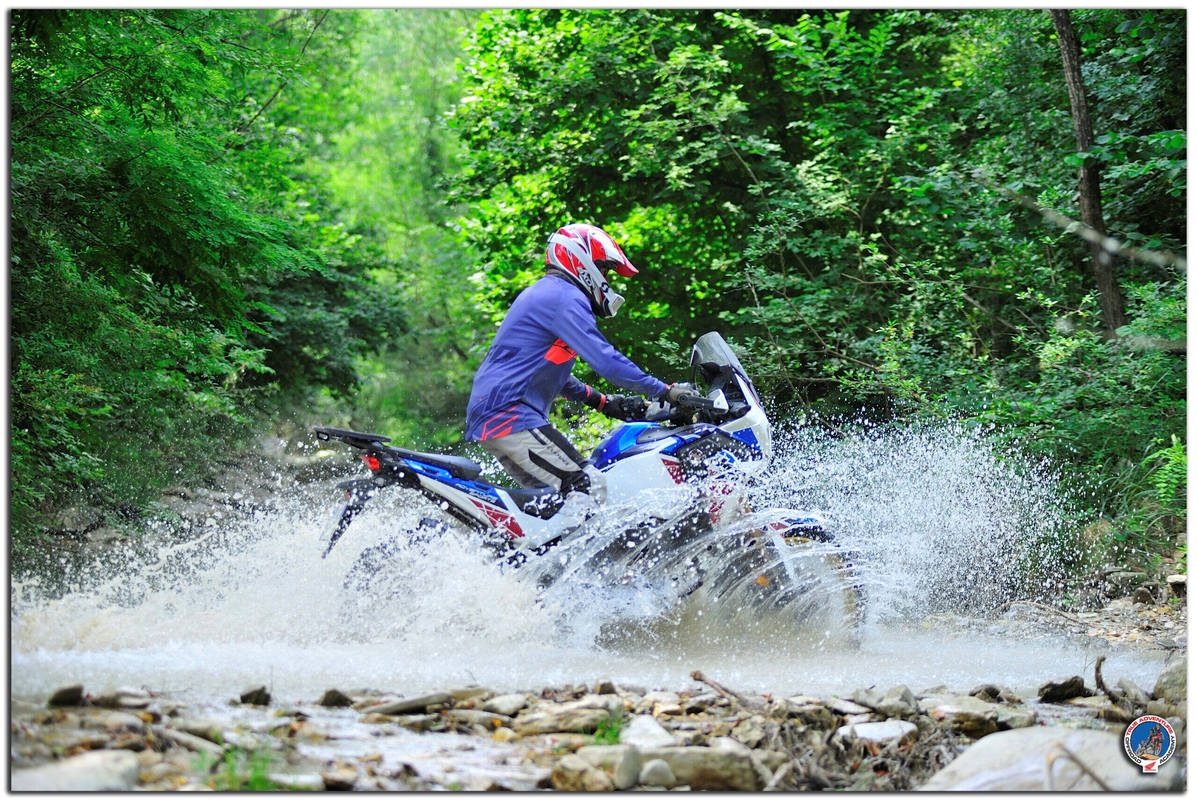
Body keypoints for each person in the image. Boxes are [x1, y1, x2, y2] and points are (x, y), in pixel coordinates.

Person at [465, 222, 700, 505]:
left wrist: (603, 402)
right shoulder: (564, 296)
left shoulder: (550, 293)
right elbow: (607, 361)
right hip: (511, 414)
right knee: (586, 486)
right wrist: (665, 390)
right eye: (604, 270)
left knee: (558, 503)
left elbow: (547, 371)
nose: (606, 279)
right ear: (580, 259)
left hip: (498, 415)